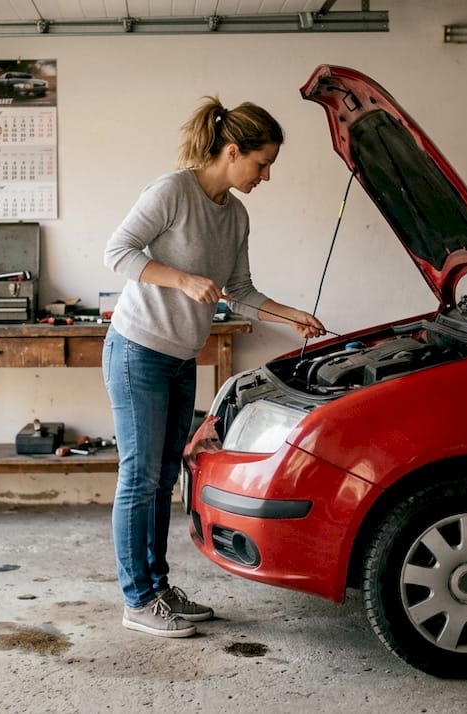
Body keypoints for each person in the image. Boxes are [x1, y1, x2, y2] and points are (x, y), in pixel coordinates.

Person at [102, 96, 326, 638]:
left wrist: (290, 314)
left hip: (180, 359)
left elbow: (242, 292)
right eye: (261, 162)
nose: (266, 175)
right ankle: (138, 600)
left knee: (164, 478)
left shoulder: (237, 216)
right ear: (232, 152)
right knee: (140, 477)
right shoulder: (171, 192)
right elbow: (118, 251)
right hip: (137, 352)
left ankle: (158, 589)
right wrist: (181, 279)